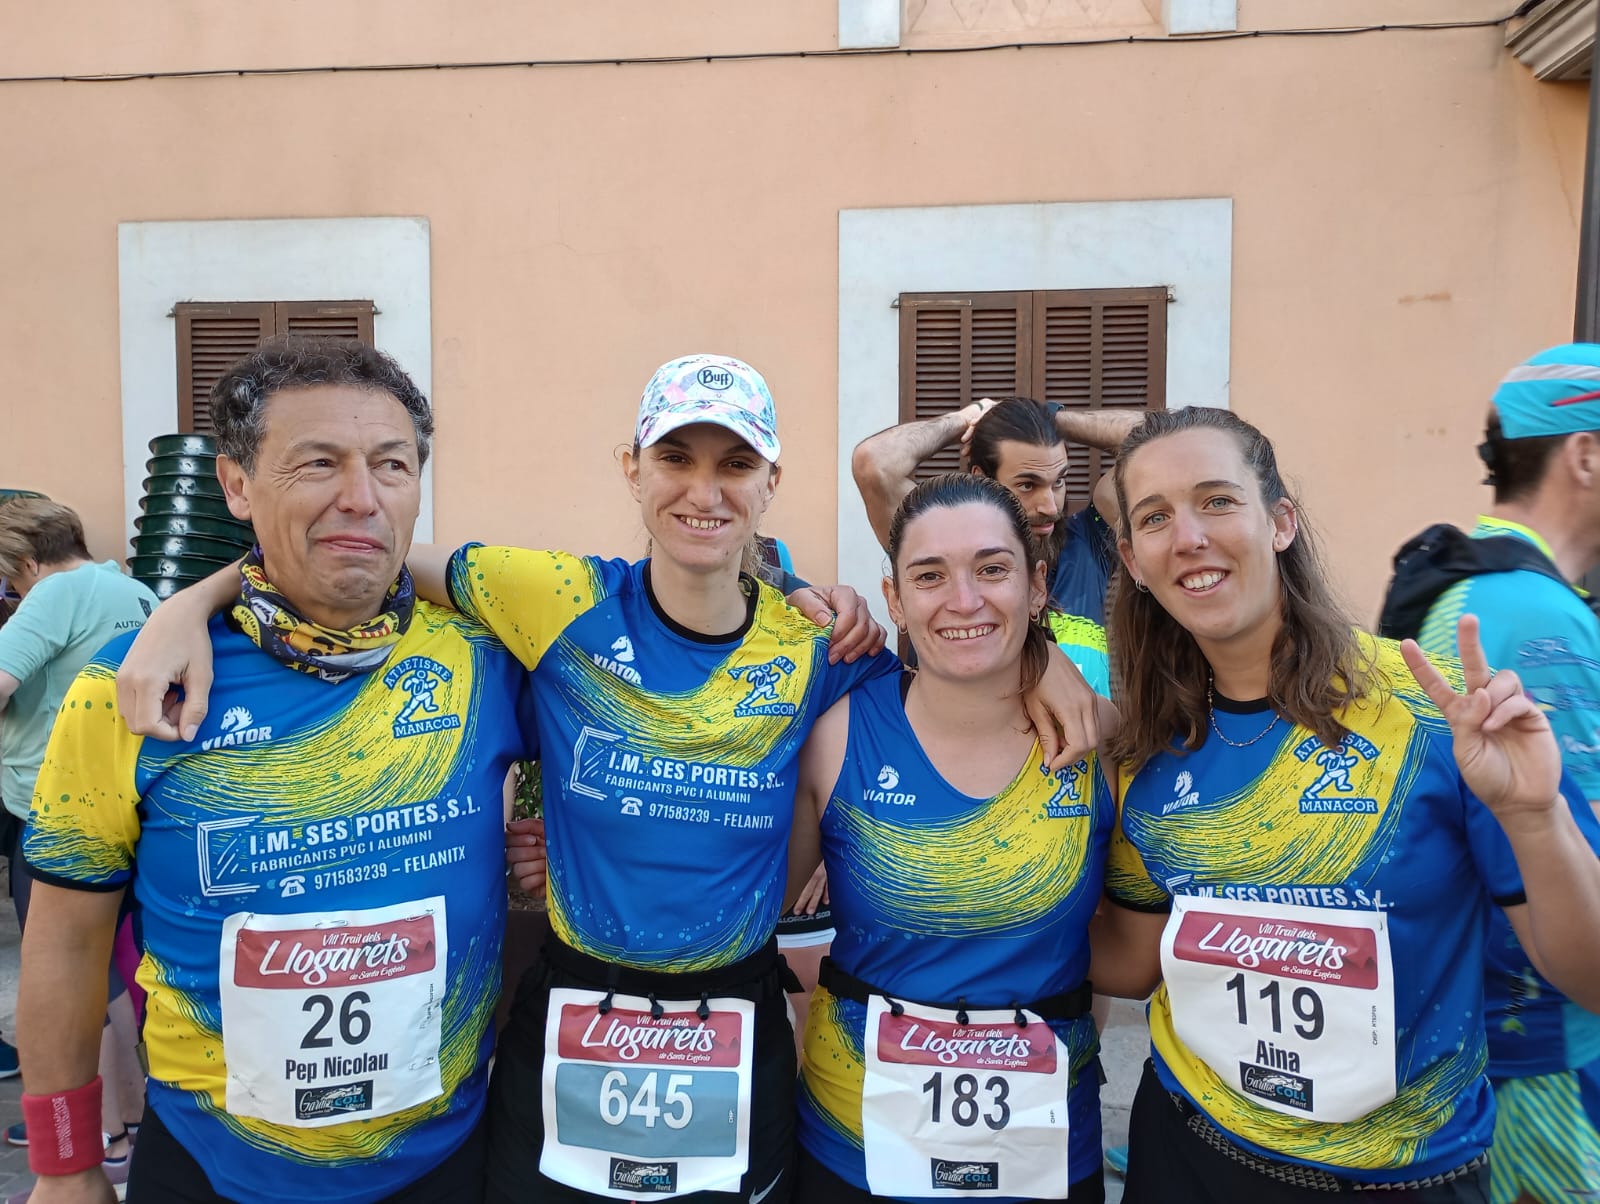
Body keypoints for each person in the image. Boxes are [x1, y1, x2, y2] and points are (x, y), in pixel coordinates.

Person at [18, 338, 531, 1203]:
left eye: (391, 465)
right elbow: (67, 942)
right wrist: (64, 1166)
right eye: (318, 463)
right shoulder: (131, 687)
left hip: (443, 1162)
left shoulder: (486, 657)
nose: (361, 497)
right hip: (210, 1167)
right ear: (236, 485)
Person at [1091, 405, 1600, 1202]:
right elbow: (1129, 960)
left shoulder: (1437, 716)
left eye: (1218, 500)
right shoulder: (1145, 749)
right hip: (1186, 1151)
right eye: (1154, 517)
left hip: (1400, 1175)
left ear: (1280, 522)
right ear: (1133, 559)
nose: (1187, 536)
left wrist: (1535, 817)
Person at [785, 473, 1126, 1204]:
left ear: (1037, 587)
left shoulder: (1102, 742)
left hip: (1044, 1156)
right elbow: (740, 906)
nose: (963, 600)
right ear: (894, 599)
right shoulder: (835, 736)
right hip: (853, 1149)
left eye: (992, 569)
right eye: (930, 575)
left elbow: (1139, 951)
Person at [1398, 344, 1600, 1204]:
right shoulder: (1536, 615)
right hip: (1541, 1054)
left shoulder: (1470, 580)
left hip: (1478, 1026)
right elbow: (1576, 851)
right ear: (1585, 455)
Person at [0, 499, 157, 1199]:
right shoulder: (133, 589)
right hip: (123, 803)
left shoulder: (55, 592)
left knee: (63, 980)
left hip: (52, 810)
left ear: (25, 560)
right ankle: (128, 1125)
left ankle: (93, 1141)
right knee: (110, 974)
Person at [851, 397, 1141, 631]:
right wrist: (967, 418)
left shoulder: (1090, 541)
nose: (1050, 507)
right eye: (1027, 485)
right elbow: (874, 463)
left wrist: (1051, 417)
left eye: (1058, 482)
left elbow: (1156, 438)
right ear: (982, 479)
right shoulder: (936, 543)